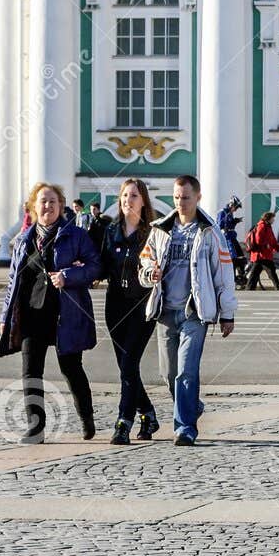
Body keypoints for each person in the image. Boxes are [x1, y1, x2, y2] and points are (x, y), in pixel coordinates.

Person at [0, 183, 100, 443]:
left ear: (61, 205)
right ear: (33, 207)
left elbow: (94, 266)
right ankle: (36, 428)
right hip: (33, 314)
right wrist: (4, 315)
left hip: (66, 313)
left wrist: (68, 276)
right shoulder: (23, 240)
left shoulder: (75, 235)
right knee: (31, 370)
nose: (48, 206)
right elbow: (13, 280)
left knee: (71, 369)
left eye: (53, 202)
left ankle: (87, 419)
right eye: (43, 201)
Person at [140, 175, 237, 446]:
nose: (180, 202)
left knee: (186, 371)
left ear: (197, 198)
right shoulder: (161, 229)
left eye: (185, 197)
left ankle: (185, 428)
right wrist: (150, 273)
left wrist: (227, 314)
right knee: (168, 373)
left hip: (195, 312)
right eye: (176, 197)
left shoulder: (210, 232)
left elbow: (224, 274)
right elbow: (145, 260)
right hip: (166, 311)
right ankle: (192, 406)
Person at [100, 178, 159, 444]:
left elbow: (162, 265)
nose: (128, 200)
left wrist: (160, 272)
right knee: (126, 367)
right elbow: (100, 265)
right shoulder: (111, 230)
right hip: (115, 306)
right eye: (124, 195)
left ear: (143, 200)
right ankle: (148, 413)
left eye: (134, 195)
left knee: (129, 364)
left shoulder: (153, 234)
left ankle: (124, 422)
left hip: (142, 307)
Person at [245, 211, 279, 291]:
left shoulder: (268, 227)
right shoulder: (262, 226)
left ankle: (249, 289)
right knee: (271, 270)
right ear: (268, 218)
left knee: (255, 274)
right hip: (261, 254)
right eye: (272, 218)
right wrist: (266, 245)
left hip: (263, 255)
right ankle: (277, 286)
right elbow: (258, 240)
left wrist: (278, 247)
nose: (273, 220)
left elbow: (272, 240)